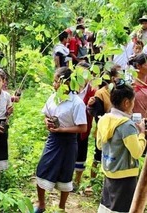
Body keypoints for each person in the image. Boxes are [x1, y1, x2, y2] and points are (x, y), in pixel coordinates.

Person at [34, 67, 87, 213]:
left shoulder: (76, 103)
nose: (54, 84)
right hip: (53, 139)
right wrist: (47, 122)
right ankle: (41, 204)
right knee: (42, 170)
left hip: (68, 142)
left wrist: (62, 129)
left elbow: (82, 128)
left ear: (66, 82)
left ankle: (61, 208)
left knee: (65, 175)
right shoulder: (53, 98)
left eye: (57, 81)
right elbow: (46, 114)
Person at [97, 79, 146, 213]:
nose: (133, 105)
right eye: (133, 102)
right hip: (125, 176)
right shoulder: (126, 125)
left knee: (107, 207)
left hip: (109, 170)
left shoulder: (104, 119)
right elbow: (136, 153)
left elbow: (99, 145)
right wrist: (141, 134)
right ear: (126, 102)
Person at [86, 65, 121, 193]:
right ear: (112, 78)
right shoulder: (100, 93)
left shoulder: (120, 91)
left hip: (119, 132)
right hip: (103, 132)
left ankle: (110, 185)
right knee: (98, 156)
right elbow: (97, 115)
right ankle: (92, 182)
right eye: (119, 75)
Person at [73, 62, 95, 191]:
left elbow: (95, 110)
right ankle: (66, 178)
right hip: (70, 125)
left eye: (84, 73)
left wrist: (91, 105)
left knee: (81, 153)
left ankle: (77, 180)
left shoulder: (93, 90)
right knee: (69, 152)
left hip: (83, 127)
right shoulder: (70, 87)